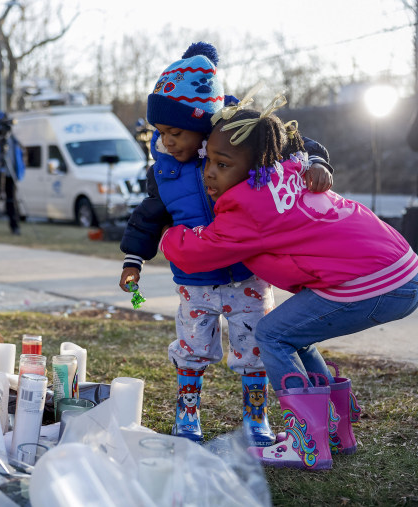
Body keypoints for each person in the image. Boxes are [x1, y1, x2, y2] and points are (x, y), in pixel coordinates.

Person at [161, 96, 418, 470]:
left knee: (271, 334)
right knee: (294, 332)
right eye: (208, 161)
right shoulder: (289, 168)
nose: (209, 173)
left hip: (372, 282)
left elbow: (199, 251)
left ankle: (305, 444)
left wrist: (171, 236)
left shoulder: (250, 205)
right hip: (400, 267)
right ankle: (334, 432)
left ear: (254, 167)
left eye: (223, 164)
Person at [118, 42, 334, 446]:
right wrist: (134, 260)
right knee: (192, 346)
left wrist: (317, 164)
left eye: (175, 132)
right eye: (160, 133)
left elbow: (290, 142)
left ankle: (256, 417)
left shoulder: (238, 139)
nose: (167, 142)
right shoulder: (164, 169)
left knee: (252, 348)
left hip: (246, 275)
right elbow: (150, 214)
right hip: (194, 281)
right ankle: (188, 411)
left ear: (202, 122)